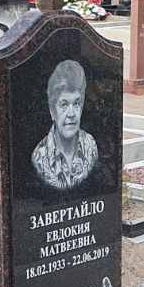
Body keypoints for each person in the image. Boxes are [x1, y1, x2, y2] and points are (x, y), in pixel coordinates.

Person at [31, 58, 98, 191]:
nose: (71, 114)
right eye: (64, 104)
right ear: (52, 111)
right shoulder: (40, 157)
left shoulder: (90, 145)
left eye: (76, 103)